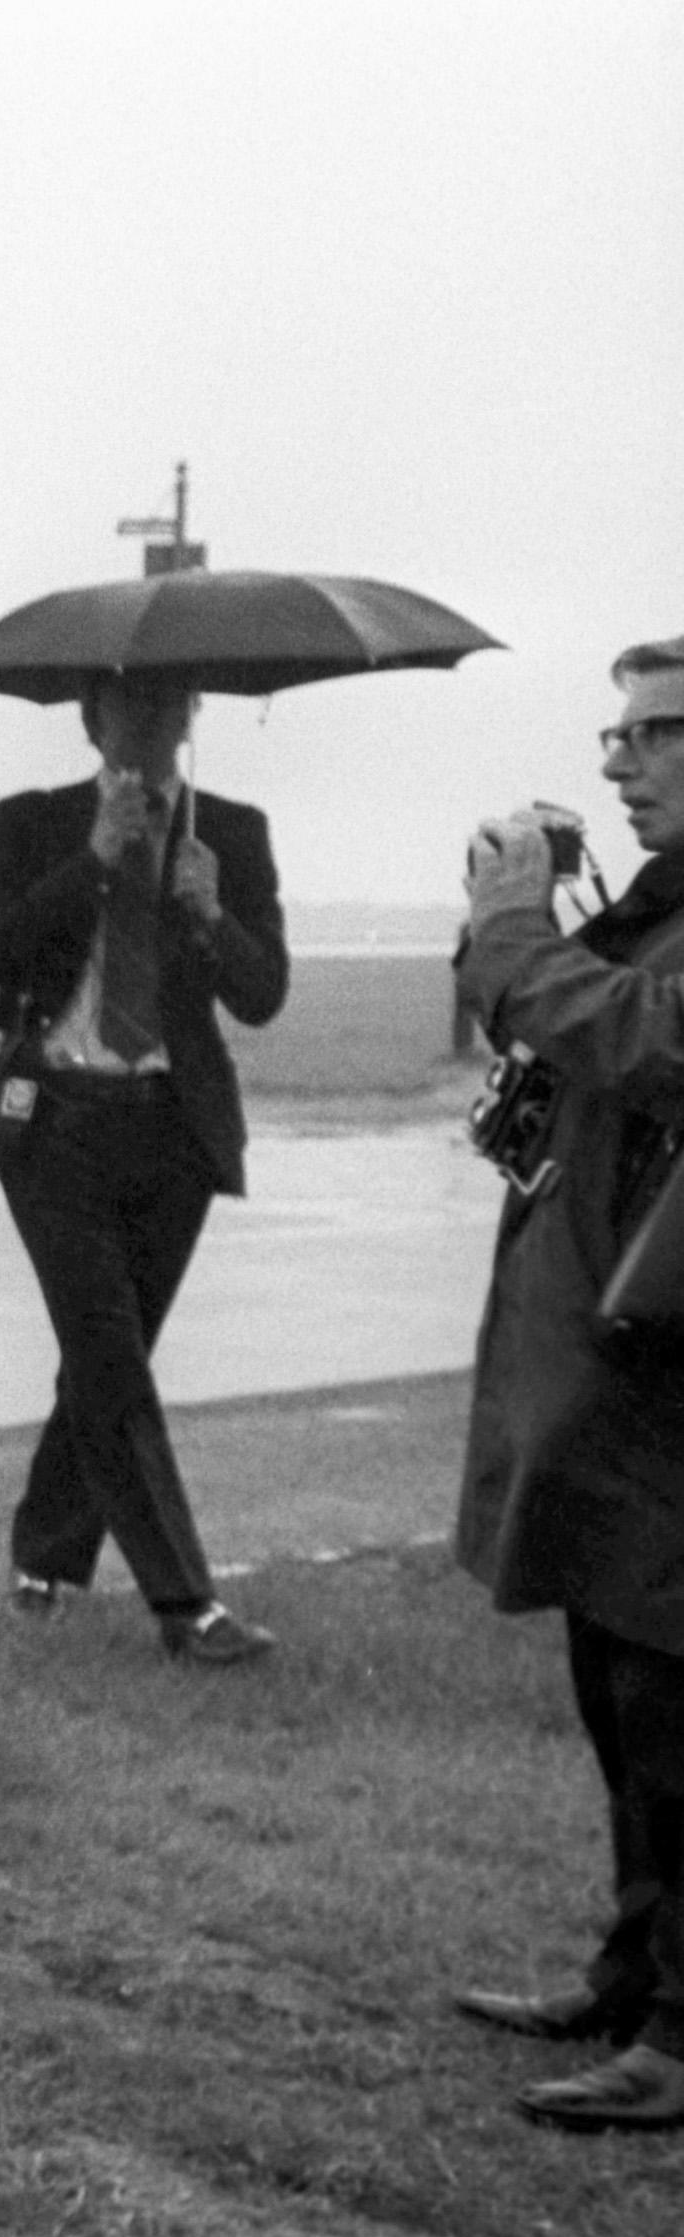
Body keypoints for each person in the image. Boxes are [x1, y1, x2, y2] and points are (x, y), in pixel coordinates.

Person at [448, 635, 684, 2130]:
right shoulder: (661, 910)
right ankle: (634, 1968)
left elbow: (648, 1040)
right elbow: (563, 1016)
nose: (619, 758)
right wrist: (541, 920)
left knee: (675, 1694)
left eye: (656, 734)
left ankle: (680, 2029)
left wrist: (519, 923)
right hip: (620, 1360)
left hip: (668, 1377)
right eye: (617, 732)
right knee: (621, 1679)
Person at [0, 673, 289, 1666]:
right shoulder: (28, 823)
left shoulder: (229, 832)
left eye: (166, 712)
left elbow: (262, 992)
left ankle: (46, 1561)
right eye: (127, 714)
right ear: (90, 721)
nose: (146, 732)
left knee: (108, 1363)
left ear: (191, 719)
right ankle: (186, 1605)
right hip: (53, 1123)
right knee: (107, 1356)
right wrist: (92, 864)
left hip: (173, 1132)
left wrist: (207, 914)